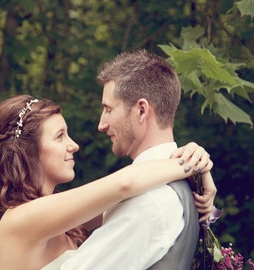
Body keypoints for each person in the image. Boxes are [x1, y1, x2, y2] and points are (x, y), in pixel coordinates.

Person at [0, 95, 214, 270]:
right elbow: (125, 185)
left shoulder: (62, 220)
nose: (74, 145)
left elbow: (131, 199)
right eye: (60, 136)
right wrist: (193, 164)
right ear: (28, 150)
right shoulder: (19, 220)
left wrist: (192, 153)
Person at [59, 50, 217, 269]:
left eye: (108, 109)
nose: (101, 124)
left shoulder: (149, 201)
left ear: (141, 110)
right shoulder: (184, 182)